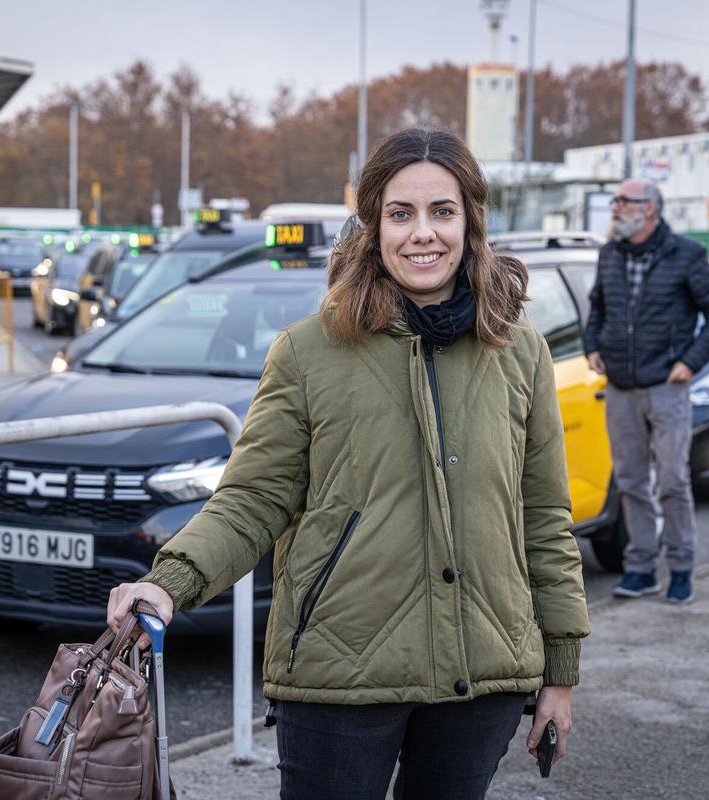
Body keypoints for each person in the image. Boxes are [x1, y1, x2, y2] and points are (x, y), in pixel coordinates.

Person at [107, 128, 590, 799]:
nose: (423, 233)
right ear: (373, 227)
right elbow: (252, 499)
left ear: (470, 222)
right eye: (401, 213)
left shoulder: (521, 352)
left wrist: (560, 670)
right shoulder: (307, 352)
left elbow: (543, 518)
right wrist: (169, 583)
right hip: (339, 672)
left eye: (442, 211)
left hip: (483, 674)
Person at [582, 178, 709, 605]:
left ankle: (681, 567)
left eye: (622, 201)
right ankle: (641, 567)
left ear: (648, 208)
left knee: (672, 480)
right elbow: (598, 306)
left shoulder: (686, 254)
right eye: (615, 200)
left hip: (667, 386)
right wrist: (592, 345)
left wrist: (690, 362)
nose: (615, 207)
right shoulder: (610, 254)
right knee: (630, 480)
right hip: (620, 387)